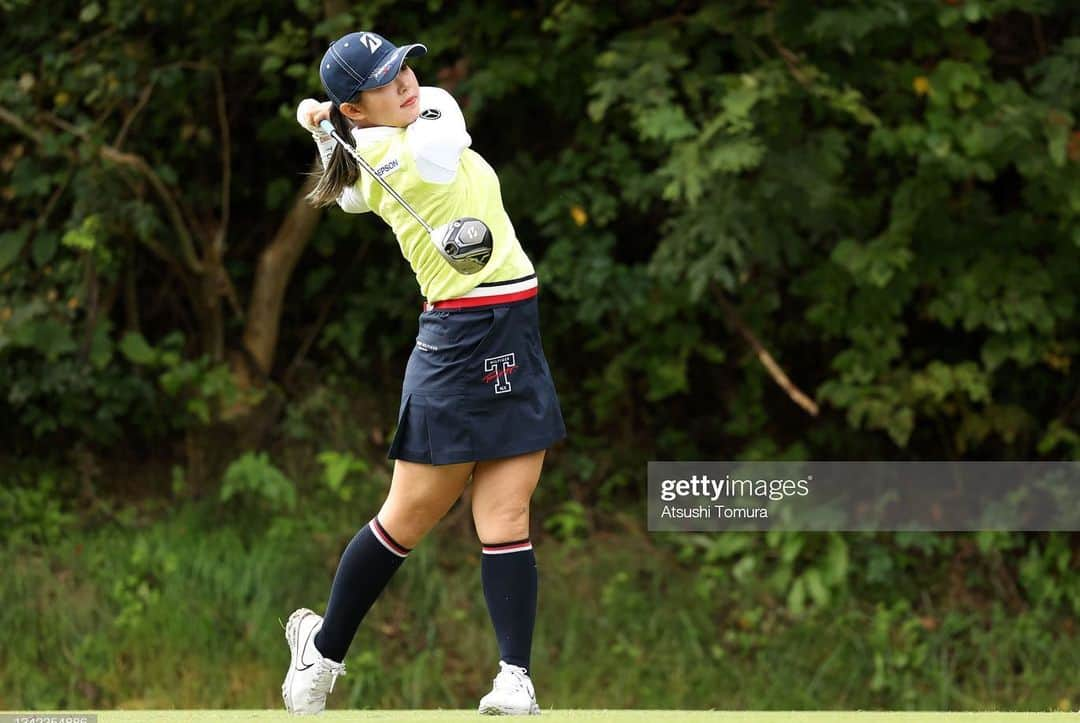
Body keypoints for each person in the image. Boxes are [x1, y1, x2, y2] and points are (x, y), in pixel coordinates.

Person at [281, 31, 566, 716]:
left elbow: (347, 197)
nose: (407, 82)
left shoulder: (373, 148)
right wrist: (335, 131)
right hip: (459, 341)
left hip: (513, 325)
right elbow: (433, 141)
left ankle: (513, 679)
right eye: (385, 81)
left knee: (506, 510)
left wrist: (323, 135)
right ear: (356, 108)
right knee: (408, 516)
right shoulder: (421, 136)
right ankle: (321, 651)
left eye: (404, 66)